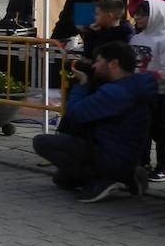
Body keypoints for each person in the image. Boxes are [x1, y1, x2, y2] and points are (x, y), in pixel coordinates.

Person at [33, 41, 157, 202]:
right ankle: (127, 175)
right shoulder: (132, 86)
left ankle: (104, 179)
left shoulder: (117, 92)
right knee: (62, 180)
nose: (95, 66)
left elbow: (75, 114)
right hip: (121, 152)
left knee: (42, 142)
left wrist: (82, 84)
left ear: (113, 63)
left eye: (98, 61)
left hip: (111, 156)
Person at [130, 0, 165, 182]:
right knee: (143, 128)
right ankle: (143, 162)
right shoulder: (136, 38)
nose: (138, 17)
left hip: (159, 92)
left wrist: (150, 76)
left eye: (143, 14)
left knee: (159, 130)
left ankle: (163, 167)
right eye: (137, 14)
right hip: (140, 91)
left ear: (157, 16)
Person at [51, 0, 122, 43]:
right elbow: (67, 16)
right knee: (56, 42)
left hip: (104, 27)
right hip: (77, 22)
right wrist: (84, 27)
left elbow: (119, 20)